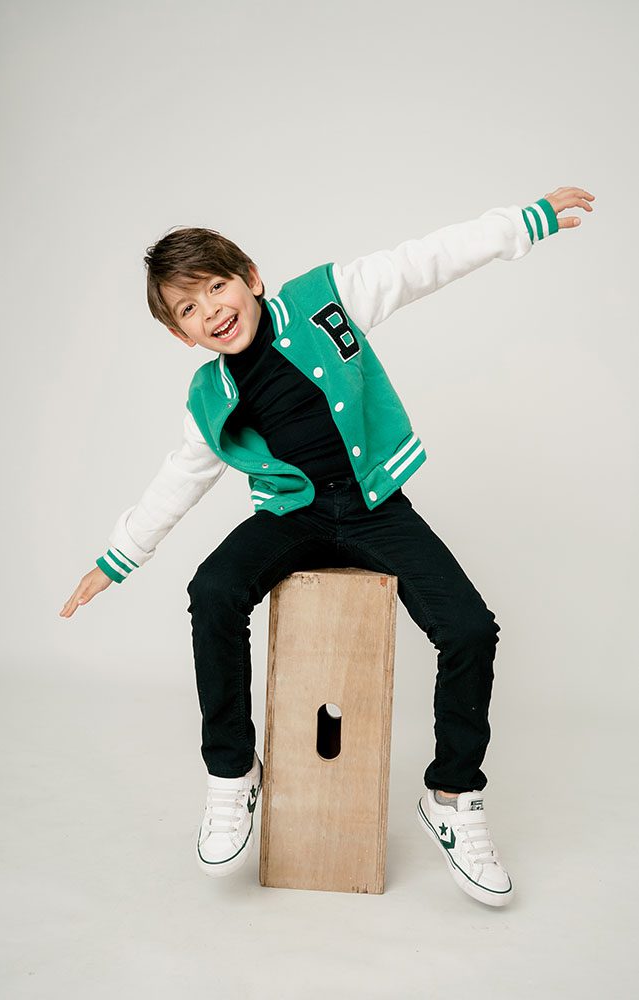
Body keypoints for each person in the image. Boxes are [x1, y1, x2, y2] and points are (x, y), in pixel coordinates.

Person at [60, 186, 594, 905]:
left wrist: (521, 224)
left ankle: (452, 796)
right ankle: (232, 773)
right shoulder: (208, 395)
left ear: (251, 278)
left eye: (216, 287)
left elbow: (423, 262)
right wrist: (116, 558)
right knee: (212, 591)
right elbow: (178, 479)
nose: (211, 310)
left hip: (375, 509)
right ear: (182, 335)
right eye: (188, 309)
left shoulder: (326, 299)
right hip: (294, 516)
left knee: (470, 628)